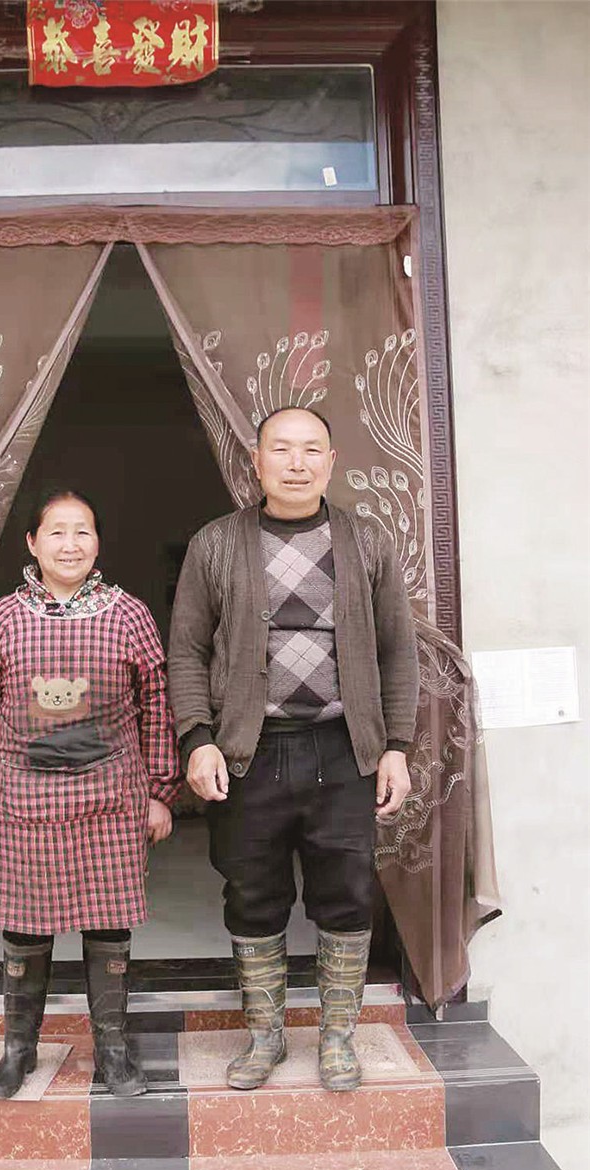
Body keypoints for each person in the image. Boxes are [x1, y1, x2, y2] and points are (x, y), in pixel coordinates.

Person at [168, 407, 419, 1093]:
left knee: (348, 894)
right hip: (250, 752)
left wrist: (396, 745)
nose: (297, 462)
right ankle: (266, 1036)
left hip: (344, 749)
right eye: (281, 449)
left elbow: (398, 651)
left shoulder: (366, 541)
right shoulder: (216, 544)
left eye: (311, 450)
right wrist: (198, 738)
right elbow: (186, 650)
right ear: (256, 461)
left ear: (331, 462)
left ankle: (337, 1038)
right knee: (252, 894)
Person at [0, 489, 180, 1099]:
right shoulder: (1, 619)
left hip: (109, 796)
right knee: (24, 925)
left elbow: (157, 706)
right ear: (32, 543)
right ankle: (17, 1050)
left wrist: (161, 792)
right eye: (56, 532)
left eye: (82, 531)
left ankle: (113, 1050)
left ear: (98, 542)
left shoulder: (128, 614)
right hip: (20, 799)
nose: (70, 544)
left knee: (108, 922)